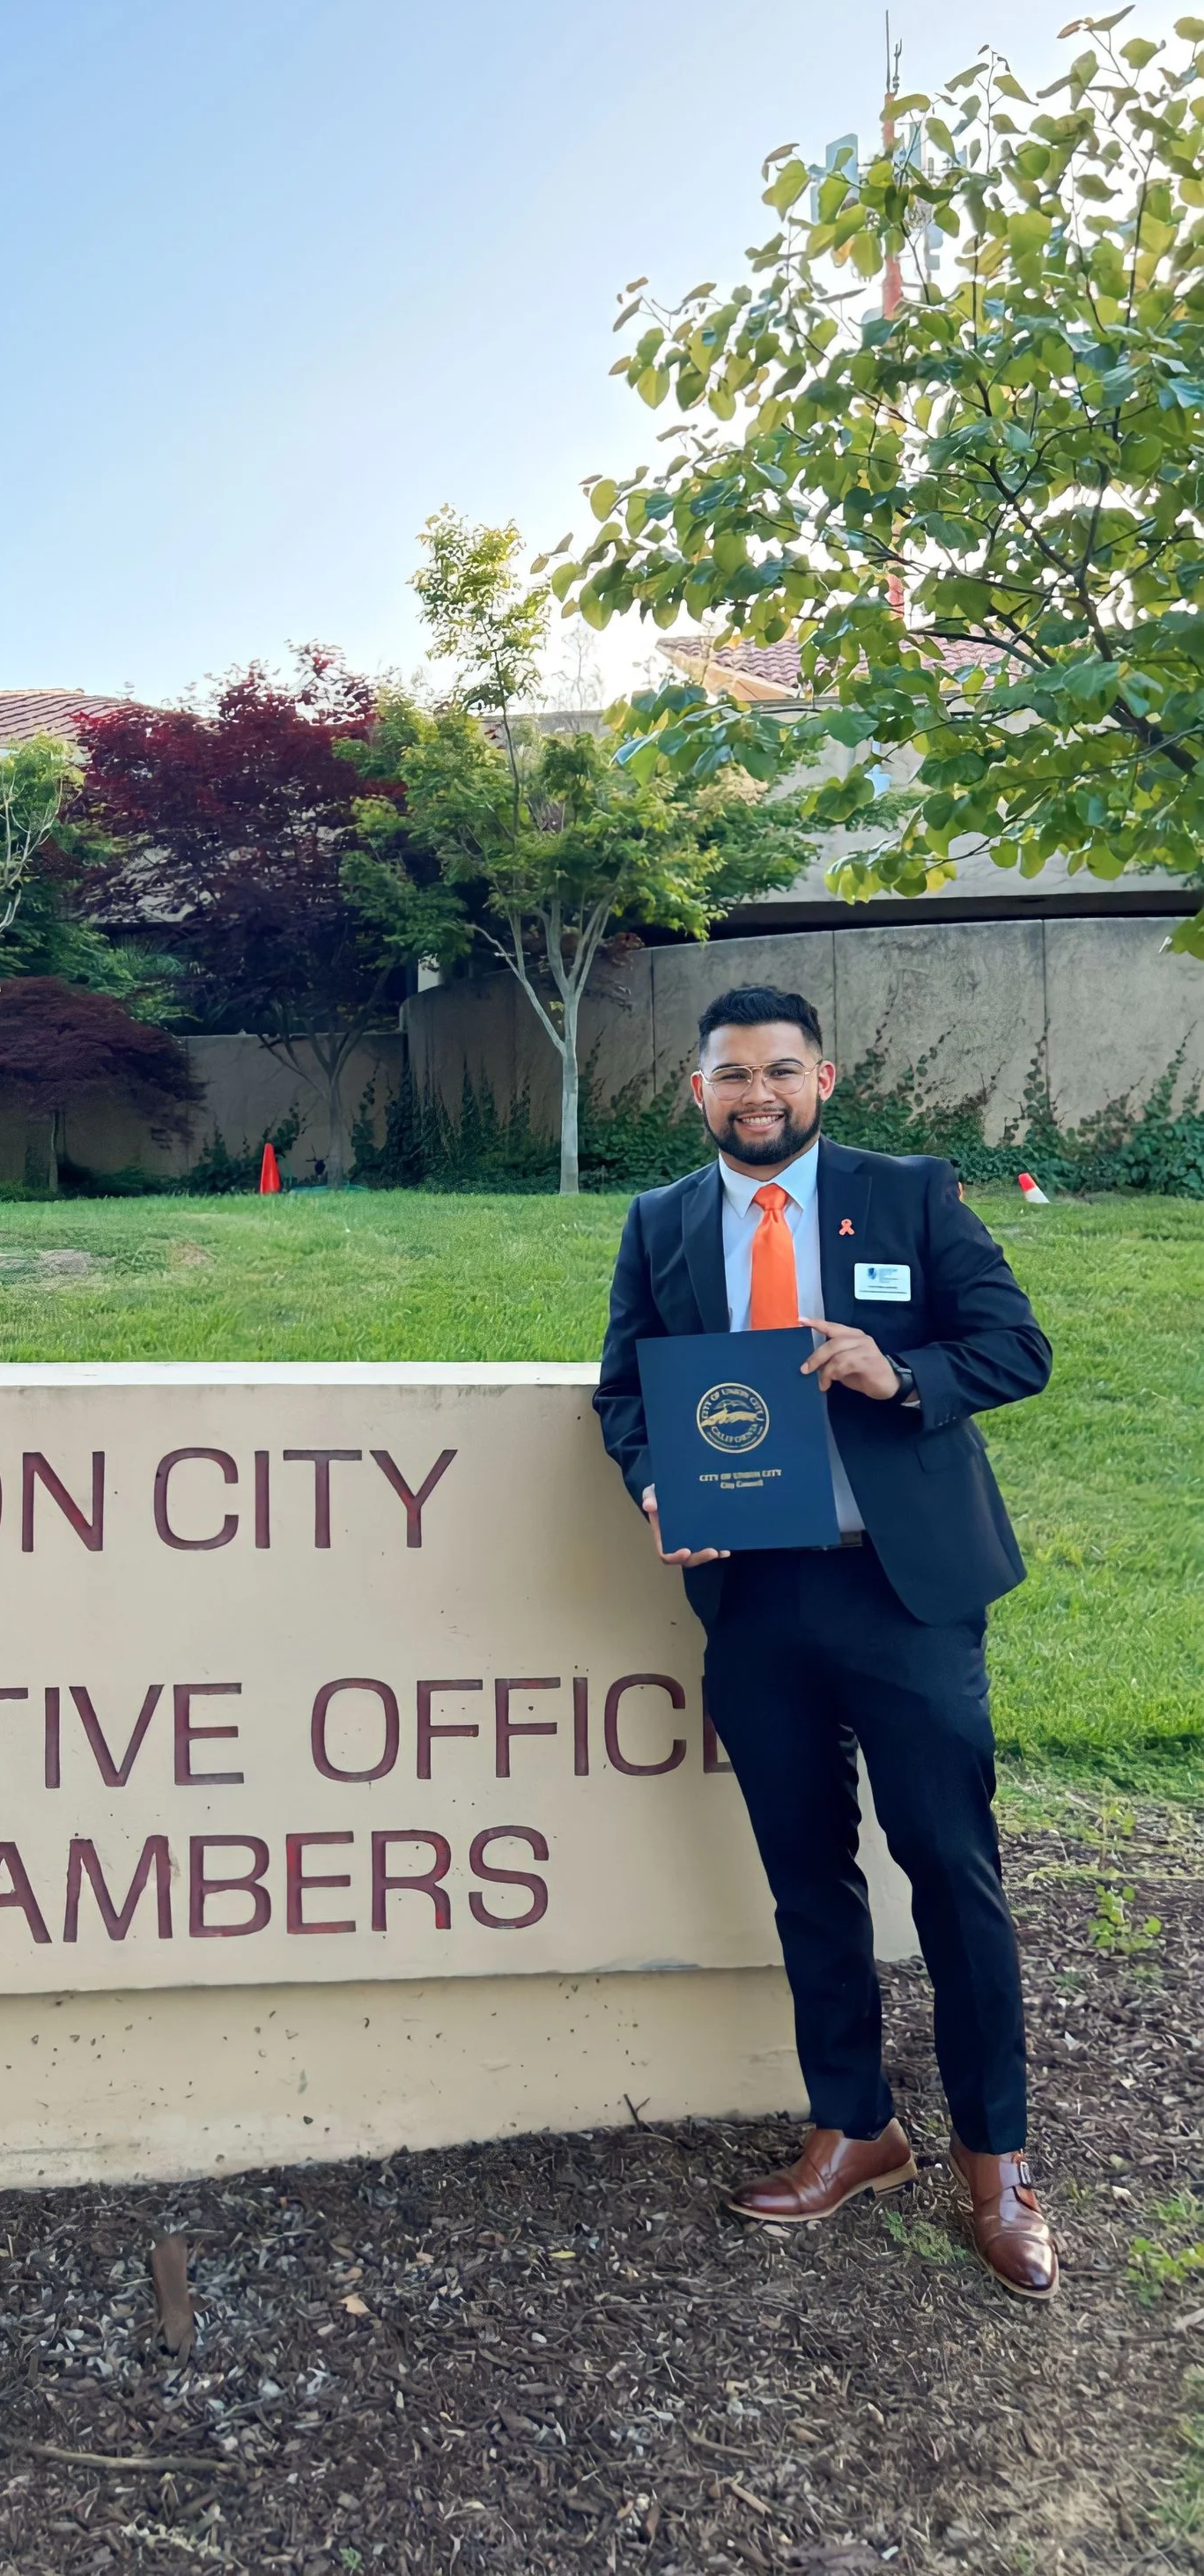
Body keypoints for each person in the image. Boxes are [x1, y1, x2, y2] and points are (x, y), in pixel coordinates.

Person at [594, 984, 1058, 2299]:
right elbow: (624, 1386)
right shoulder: (664, 1223)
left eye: (781, 1072)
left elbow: (1016, 1347)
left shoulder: (910, 1194)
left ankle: (998, 2160)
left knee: (952, 1875)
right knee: (807, 1875)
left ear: (824, 1079)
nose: (758, 1096)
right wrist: (652, 1485)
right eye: (732, 1076)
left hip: (903, 1595)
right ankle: (857, 2127)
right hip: (756, 1597)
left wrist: (899, 1374)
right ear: (699, 1091)